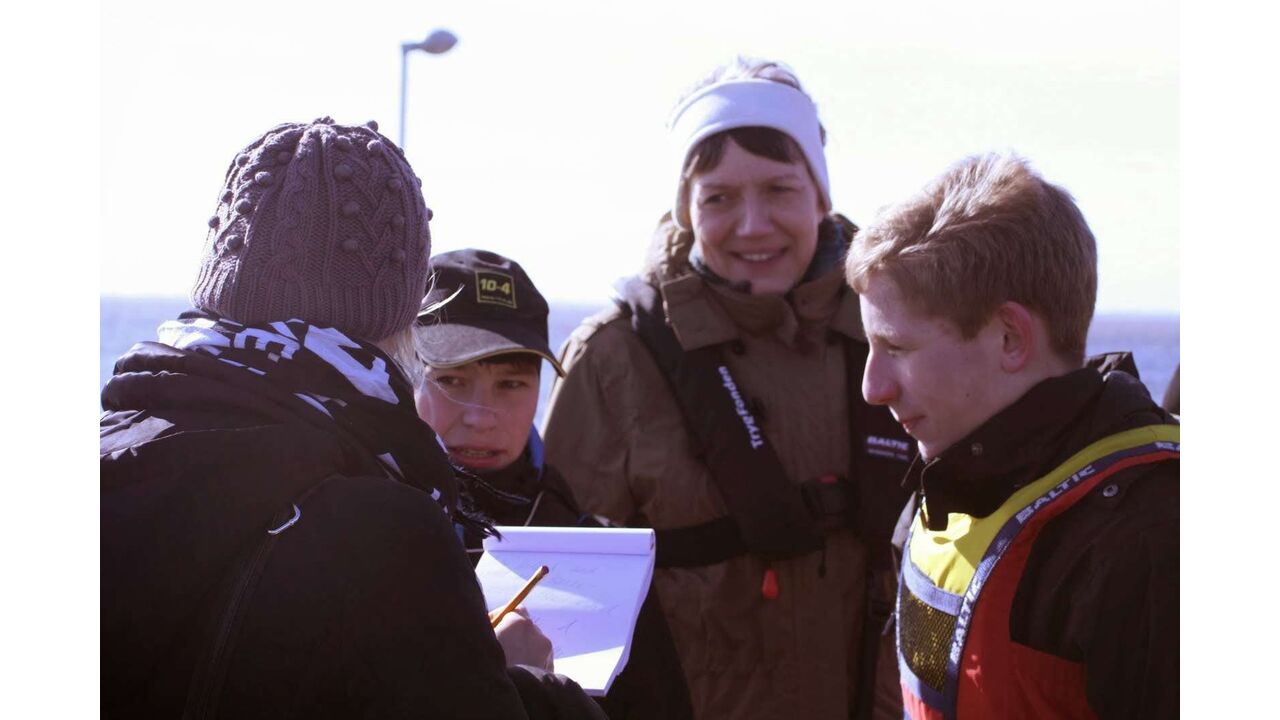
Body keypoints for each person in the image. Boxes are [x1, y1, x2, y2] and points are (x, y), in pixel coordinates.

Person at [100, 117, 604, 719]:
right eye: (452, 378)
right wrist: (528, 683)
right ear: (404, 313)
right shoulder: (386, 529)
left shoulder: (109, 450)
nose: (478, 413)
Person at [542, 58, 916, 719]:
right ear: (685, 210)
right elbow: (555, 612)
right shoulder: (614, 360)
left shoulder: (904, 335)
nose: (752, 224)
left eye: (779, 189)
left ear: (821, 196)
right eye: (718, 197)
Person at [844, 153, 1179, 719]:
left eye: (896, 348)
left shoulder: (1150, 540)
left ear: (1009, 337)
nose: (872, 388)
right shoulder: (947, 486)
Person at [414, 248, 694, 719]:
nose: (481, 416)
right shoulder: (359, 530)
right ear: (404, 370)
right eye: (451, 380)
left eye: (511, 384)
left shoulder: (599, 554)